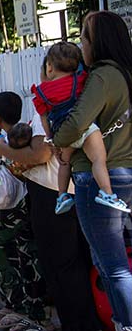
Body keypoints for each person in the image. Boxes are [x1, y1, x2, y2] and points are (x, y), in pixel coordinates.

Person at [52, 11, 132, 331]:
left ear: (97, 43)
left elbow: (76, 122)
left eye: (84, 38)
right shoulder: (126, 74)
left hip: (99, 178)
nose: (81, 45)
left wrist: (58, 141)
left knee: (111, 264)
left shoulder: (102, 76)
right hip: (124, 172)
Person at [32, 42, 129, 214]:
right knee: (99, 160)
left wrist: (52, 138)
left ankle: (62, 195)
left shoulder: (41, 92)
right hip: (85, 128)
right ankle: (107, 192)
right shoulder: (82, 79)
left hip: (63, 131)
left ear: (49, 67)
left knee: (64, 163)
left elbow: (44, 118)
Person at [0, 94, 49, 329]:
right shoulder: (22, 137)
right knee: (18, 262)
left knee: (25, 263)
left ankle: (34, 312)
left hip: (15, 215)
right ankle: (18, 307)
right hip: (13, 215)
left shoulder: (13, 142)